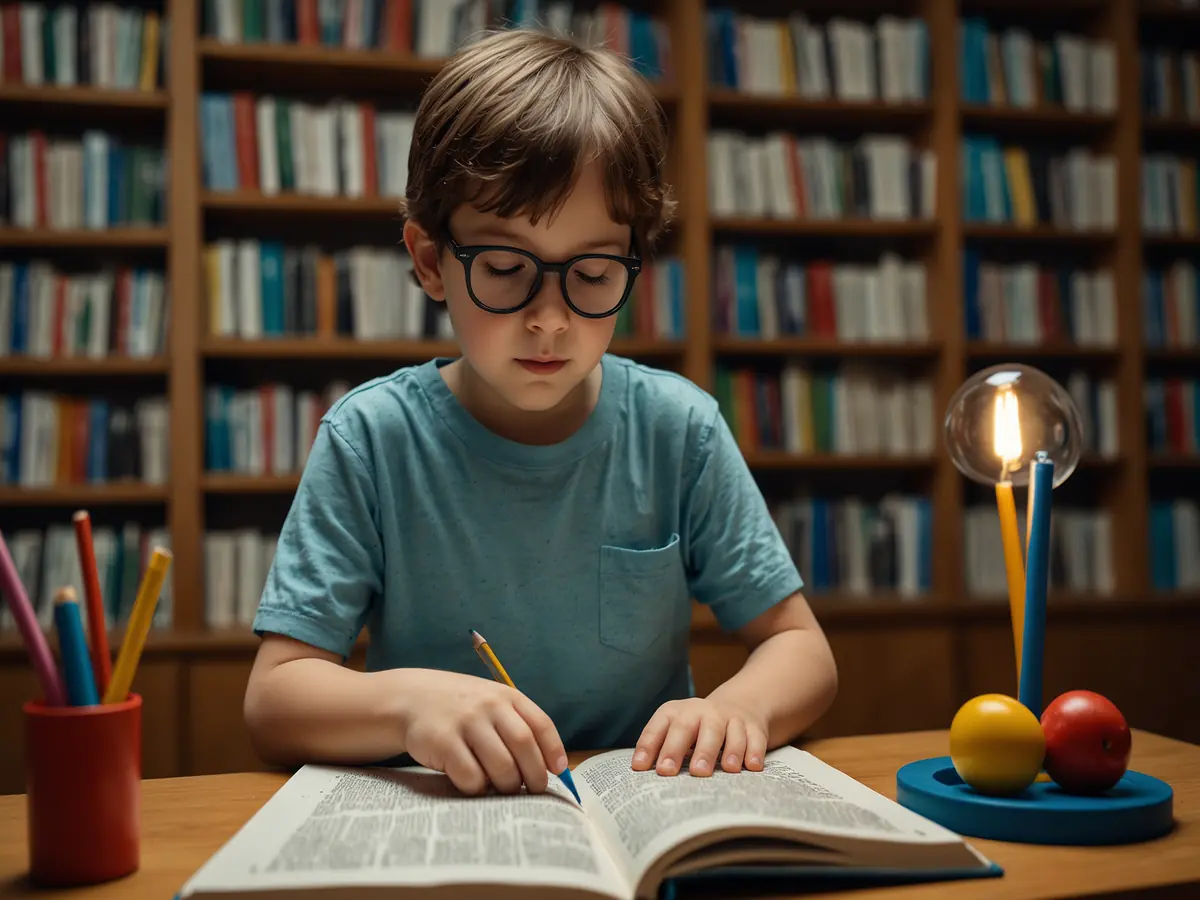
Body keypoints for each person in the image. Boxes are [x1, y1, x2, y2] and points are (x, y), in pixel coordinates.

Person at [242, 27, 837, 798]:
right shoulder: (372, 439)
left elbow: (800, 646)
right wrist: (407, 704)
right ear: (429, 261)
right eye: (504, 267)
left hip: (638, 812)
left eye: (592, 273)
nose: (550, 320)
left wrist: (739, 707)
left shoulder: (678, 429)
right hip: (447, 822)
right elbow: (275, 694)